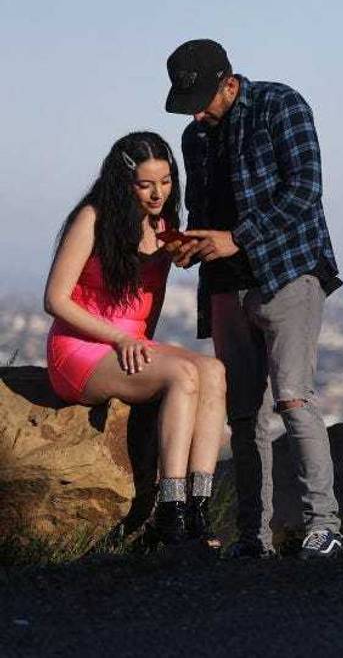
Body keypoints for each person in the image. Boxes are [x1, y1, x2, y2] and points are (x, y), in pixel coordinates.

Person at [163, 39, 343, 559]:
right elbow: (205, 209)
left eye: (203, 97)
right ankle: (253, 537)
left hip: (287, 272)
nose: (197, 111)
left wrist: (238, 238)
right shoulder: (195, 138)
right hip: (225, 282)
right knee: (243, 414)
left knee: (293, 399)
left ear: (229, 81)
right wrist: (193, 243)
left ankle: (324, 525)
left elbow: (306, 188)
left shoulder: (279, 105)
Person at [44, 131, 227, 549]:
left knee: (213, 371)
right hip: (80, 346)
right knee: (182, 375)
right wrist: (120, 340)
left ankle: (198, 509)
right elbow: (54, 299)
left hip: (131, 343)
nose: (158, 193)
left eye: (165, 182)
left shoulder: (162, 226)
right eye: (146, 184)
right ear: (123, 182)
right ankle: (170, 510)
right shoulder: (93, 218)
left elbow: (151, 301)